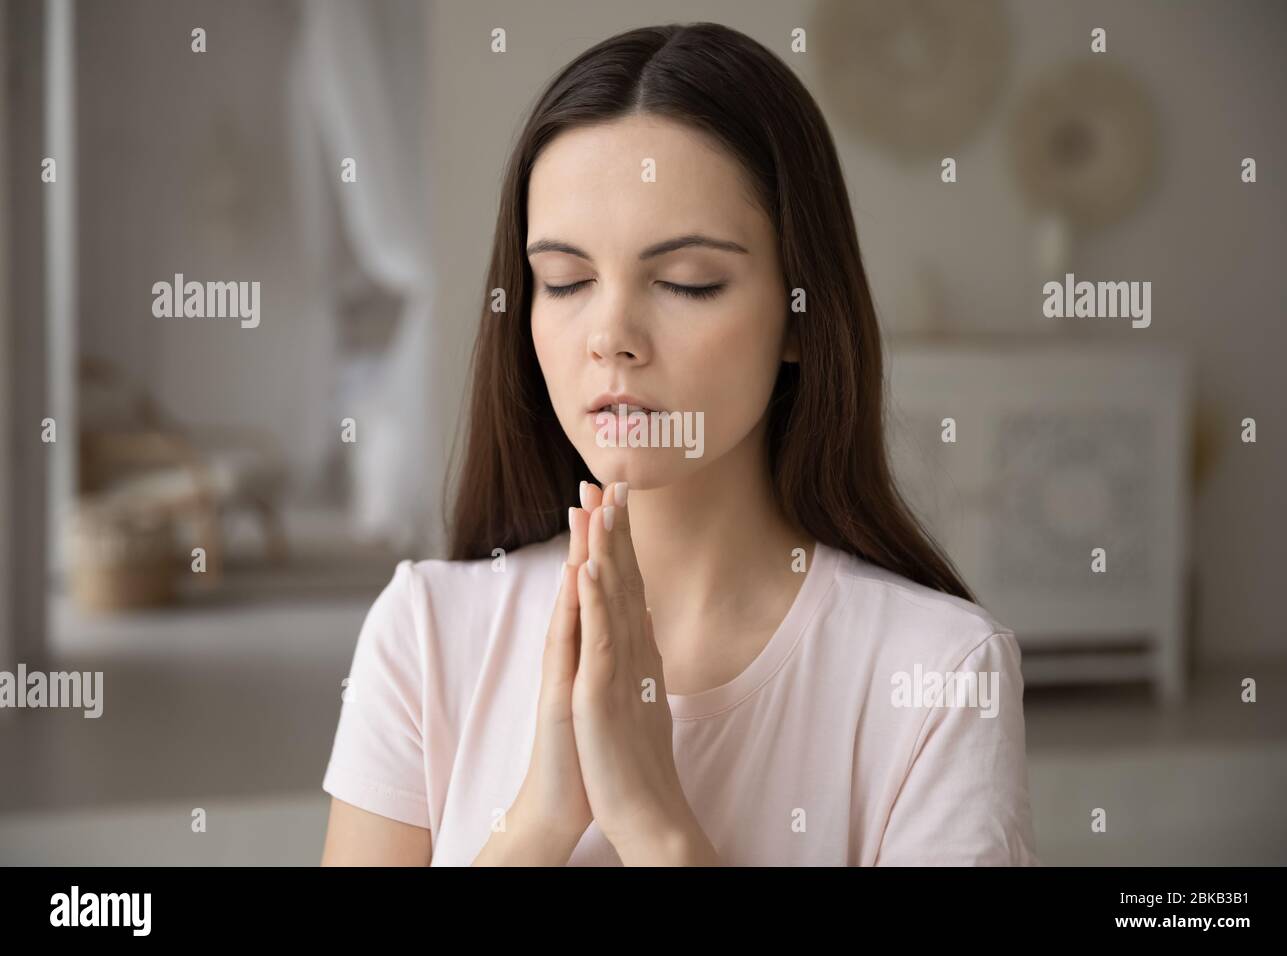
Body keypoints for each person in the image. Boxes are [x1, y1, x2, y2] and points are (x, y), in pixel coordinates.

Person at [320, 21, 1037, 866]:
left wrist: (656, 822)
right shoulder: (425, 633)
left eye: (686, 282)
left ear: (800, 317)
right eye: (566, 282)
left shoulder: (943, 677)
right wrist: (542, 820)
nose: (611, 336)